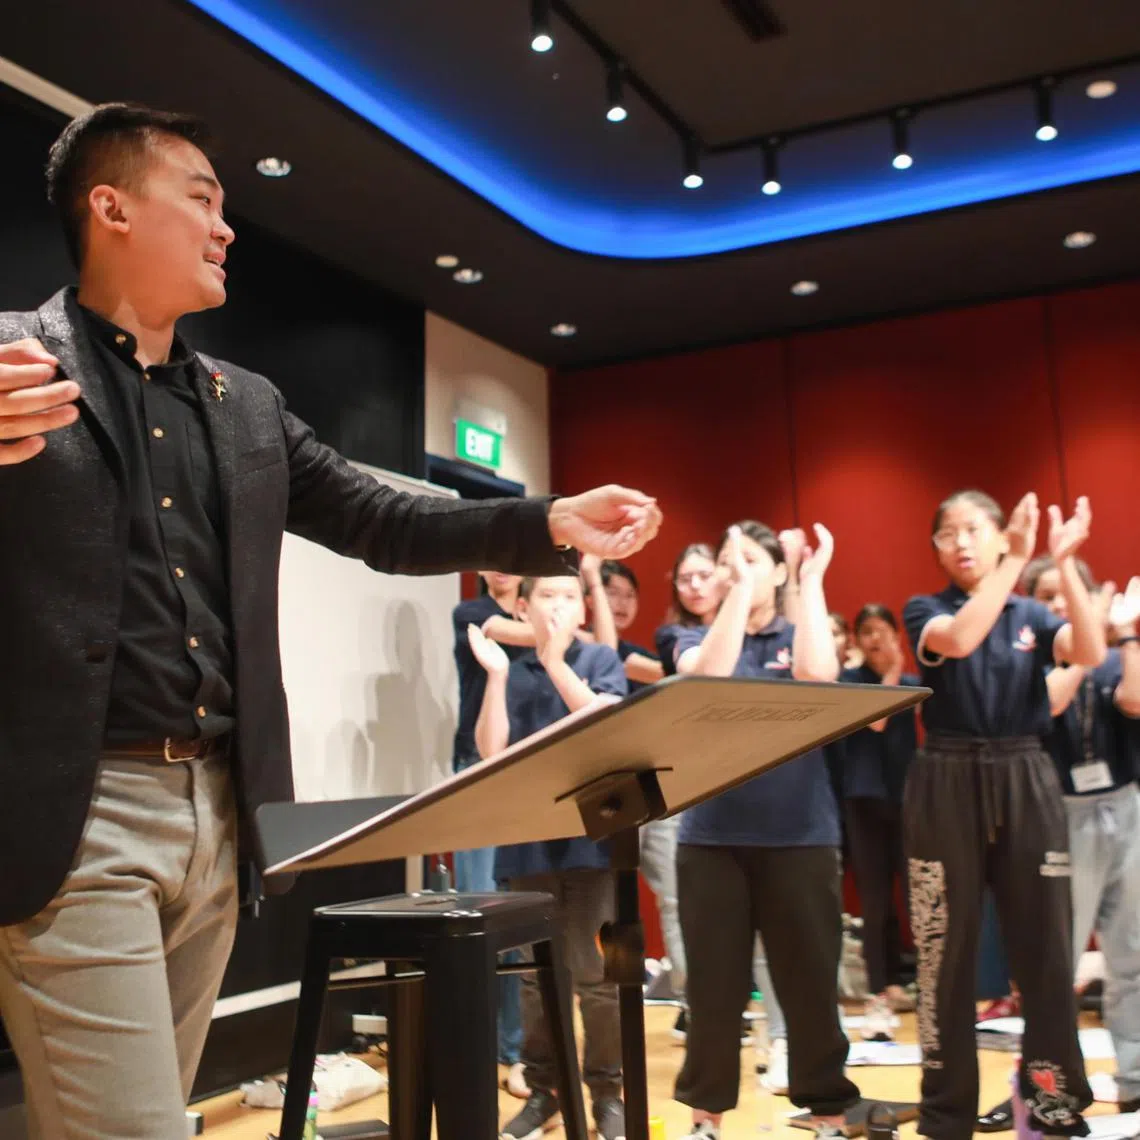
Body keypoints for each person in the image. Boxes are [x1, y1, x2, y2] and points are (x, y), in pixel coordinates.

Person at [0, 102, 661, 1139]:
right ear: (111, 205)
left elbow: (379, 517)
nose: (227, 229)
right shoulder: (11, 362)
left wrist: (545, 522)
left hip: (222, 811)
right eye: (202, 198)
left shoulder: (244, 404)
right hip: (77, 814)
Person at [902, 490, 1104, 1140]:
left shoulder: (1030, 614)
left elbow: (1092, 652)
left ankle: (1052, 1102)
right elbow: (960, 641)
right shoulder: (925, 609)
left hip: (1025, 771)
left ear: (996, 536)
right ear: (934, 547)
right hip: (946, 775)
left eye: (973, 529)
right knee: (943, 953)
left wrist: (1065, 564)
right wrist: (1013, 560)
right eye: (947, 532)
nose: (960, 541)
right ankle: (946, 1115)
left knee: (1045, 949)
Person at [672, 521, 859, 1140]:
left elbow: (817, 675)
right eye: (729, 560)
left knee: (809, 986)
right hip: (711, 839)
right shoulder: (689, 635)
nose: (737, 568)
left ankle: (827, 1111)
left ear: (779, 571)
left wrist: (810, 580)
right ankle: (706, 1118)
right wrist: (739, 585)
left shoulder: (799, 626)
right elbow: (709, 677)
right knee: (715, 990)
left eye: (752, 559)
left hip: (801, 836)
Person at [468, 574, 629, 1140]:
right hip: (527, 840)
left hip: (596, 842)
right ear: (521, 606)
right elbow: (491, 751)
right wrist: (496, 676)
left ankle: (608, 1094)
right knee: (536, 981)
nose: (560, 605)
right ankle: (543, 1091)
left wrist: (558, 662)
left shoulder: (601, 657)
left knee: (600, 976)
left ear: (584, 606)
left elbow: (608, 725)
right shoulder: (511, 670)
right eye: (547, 596)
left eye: (569, 596)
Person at [1025, 559, 1140, 1112]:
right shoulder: (1029, 665)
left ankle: (1137, 1080)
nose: (1060, 606)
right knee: (1058, 960)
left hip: (1124, 806)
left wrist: (1127, 637)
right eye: (1048, 598)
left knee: (1133, 954)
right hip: (1059, 814)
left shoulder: (1118, 656)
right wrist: (1086, 640)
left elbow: (1134, 701)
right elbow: (1049, 705)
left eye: (1071, 595)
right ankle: (1056, 1087)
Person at [451, 571, 528, 1094]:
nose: (501, 564)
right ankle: (479, 1048)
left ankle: (518, 1051)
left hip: (533, 768)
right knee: (477, 911)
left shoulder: (538, 615)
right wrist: (564, 621)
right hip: (476, 765)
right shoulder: (472, 615)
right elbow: (523, 633)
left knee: (525, 920)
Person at [838, 604, 921, 1042]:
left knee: (914, 895)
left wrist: (901, 673)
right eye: (865, 631)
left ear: (896, 634)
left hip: (906, 799)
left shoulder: (912, 683)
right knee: (874, 900)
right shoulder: (851, 682)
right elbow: (877, 722)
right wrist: (893, 672)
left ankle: (914, 983)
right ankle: (877, 990)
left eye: (882, 630)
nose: (874, 639)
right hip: (864, 800)